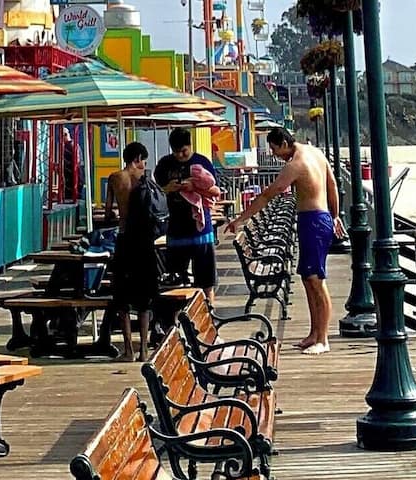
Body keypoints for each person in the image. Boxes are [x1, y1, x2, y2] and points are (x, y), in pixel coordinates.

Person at [224, 128, 342, 354]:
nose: (275, 154)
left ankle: (323, 339)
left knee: (317, 280)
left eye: (275, 149)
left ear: (285, 143)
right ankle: (314, 333)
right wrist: (335, 215)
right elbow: (333, 184)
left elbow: (268, 194)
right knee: (308, 279)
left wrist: (240, 219)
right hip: (320, 219)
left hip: (314, 222)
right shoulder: (315, 152)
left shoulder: (294, 165)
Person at [154, 129, 220, 303]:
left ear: (190, 146)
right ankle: (175, 321)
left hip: (201, 230)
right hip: (176, 230)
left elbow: (215, 190)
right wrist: (169, 188)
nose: (181, 155)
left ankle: (209, 313)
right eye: (176, 152)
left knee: (206, 281)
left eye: (184, 151)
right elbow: (158, 190)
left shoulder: (202, 162)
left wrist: (194, 188)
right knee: (175, 281)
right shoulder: (165, 164)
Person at [110, 143, 162, 360]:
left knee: (122, 297)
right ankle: (144, 350)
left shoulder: (115, 178)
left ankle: (128, 350)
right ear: (138, 158)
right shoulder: (146, 180)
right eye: (143, 160)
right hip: (145, 243)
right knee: (144, 298)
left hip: (124, 240)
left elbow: (107, 213)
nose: (144, 164)